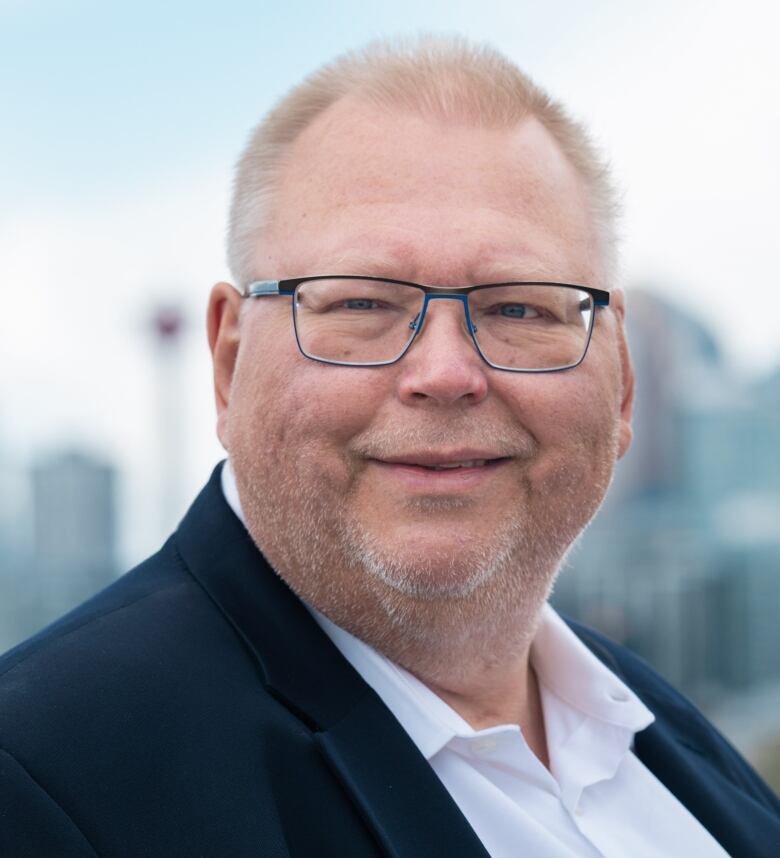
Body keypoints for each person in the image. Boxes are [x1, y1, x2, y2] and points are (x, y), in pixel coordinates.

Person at [0, 36, 777, 858]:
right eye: (363, 301)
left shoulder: (678, 741)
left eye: (519, 309)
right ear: (230, 366)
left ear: (621, 387)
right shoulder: (41, 783)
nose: (446, 374)